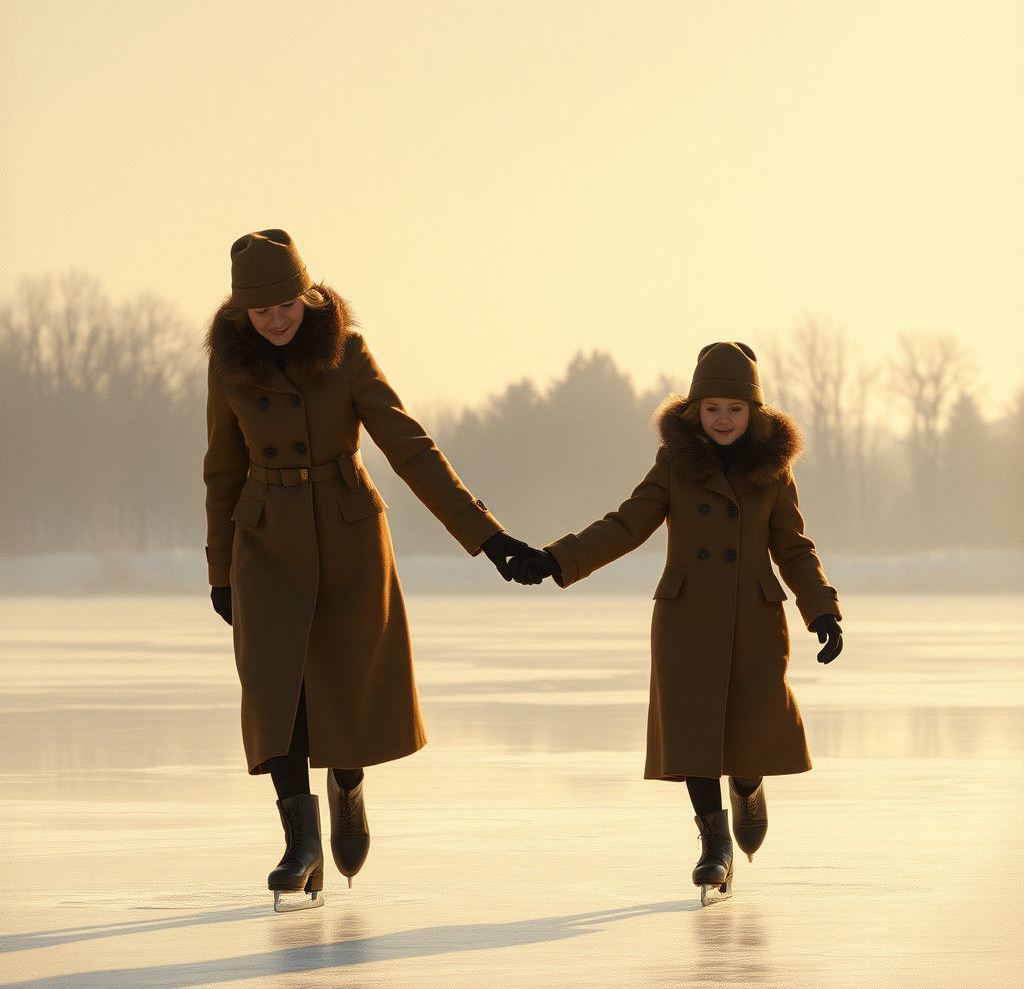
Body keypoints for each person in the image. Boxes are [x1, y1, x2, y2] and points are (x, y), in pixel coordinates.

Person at [204, 229, 534, 911]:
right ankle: (300, 844)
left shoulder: (346, 351)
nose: (275, 320)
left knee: (346, 682)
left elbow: (411, 448)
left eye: (285, 304)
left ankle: (347, 786)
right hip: (265, 542)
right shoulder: (229, 366)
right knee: (275, 691)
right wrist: (219, 569)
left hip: (347, 536)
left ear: (307, 294)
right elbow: (222, 470)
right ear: (241, 311)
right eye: (260, 310)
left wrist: (487, 536)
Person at [510, 341, 843, 906]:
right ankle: (715, 844)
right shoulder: (674, 465)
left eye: (735, 409)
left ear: (754, 412)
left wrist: (822, 608)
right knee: (693, 732)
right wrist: (555, 559)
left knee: (751, 724)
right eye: (712, 408)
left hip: (754, 618)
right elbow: (626, 524)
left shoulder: (773, 471)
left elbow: (793, 546)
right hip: (686, 618)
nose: (723, 419)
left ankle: (748, 784)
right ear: (694, 410)